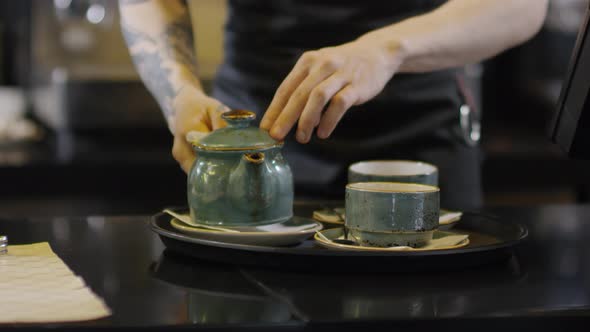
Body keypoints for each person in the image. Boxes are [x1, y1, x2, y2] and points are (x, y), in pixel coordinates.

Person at [119, 0, 548, 210]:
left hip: (418, 152)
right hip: (254, 150)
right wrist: (179, 93)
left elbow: (523, 5)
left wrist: (386, 49)